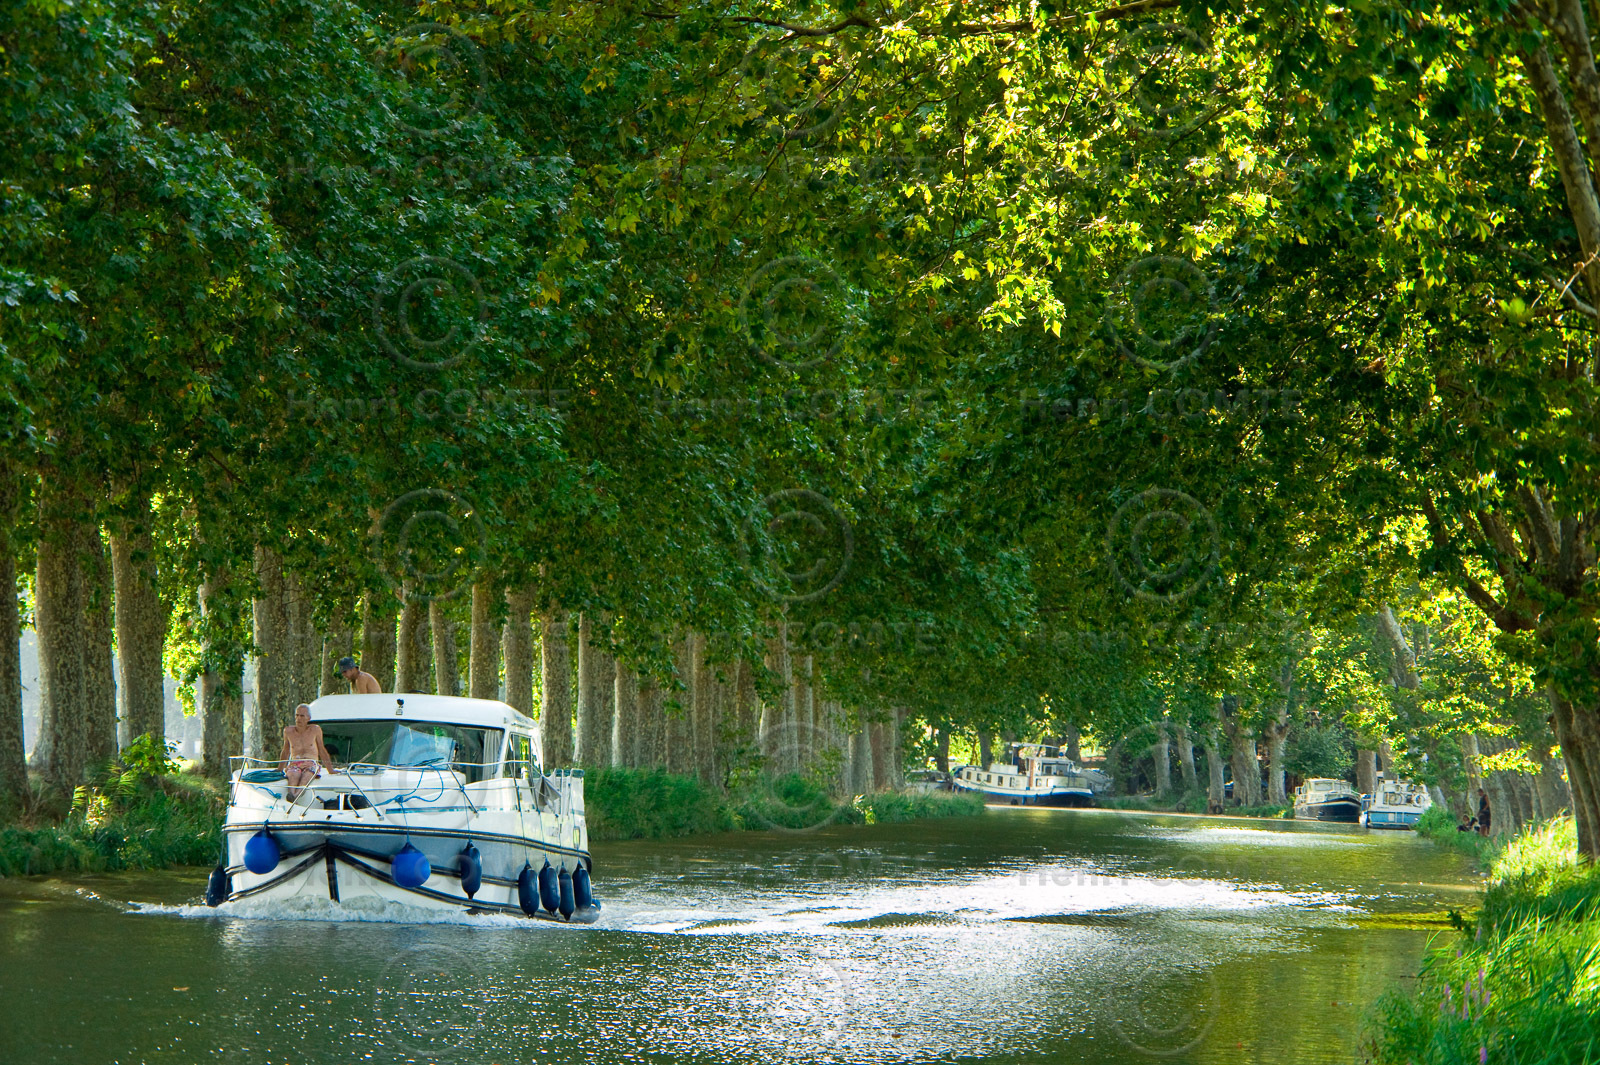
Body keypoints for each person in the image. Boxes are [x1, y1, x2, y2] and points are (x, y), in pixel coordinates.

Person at [279, 703, 335, 800]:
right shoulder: (288, 731)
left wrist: (330, 770)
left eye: (302, 716)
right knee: (293, 775)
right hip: (295, 763)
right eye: (297, 715)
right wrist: (279, 769)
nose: (298, 718)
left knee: (307, 775)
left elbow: (322, 750)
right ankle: (291, 794)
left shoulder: (315, 730)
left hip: (311, 763)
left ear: (308, 718)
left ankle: (295, 796)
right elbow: (285, 751)